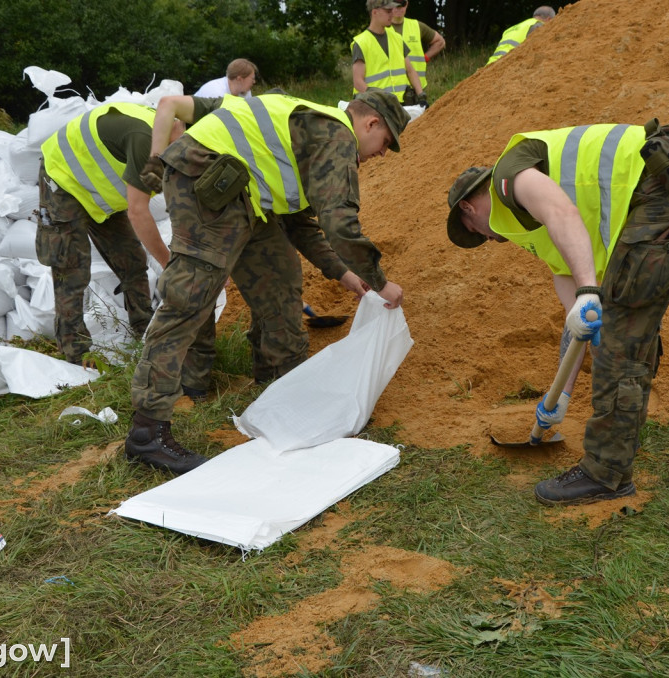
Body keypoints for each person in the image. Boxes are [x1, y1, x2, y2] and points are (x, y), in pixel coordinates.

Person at [446, 113, 669, 506]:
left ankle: (605, 474)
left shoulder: (510, 174)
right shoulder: (536, 230)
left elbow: (562, 215)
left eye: (475, 231)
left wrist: (589, 290)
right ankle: (623, 435)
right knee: (618, 326)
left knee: (619, 332)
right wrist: (559, 398)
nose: (486, 239)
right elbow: (579, 320)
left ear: (469, 208)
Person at [125, 89, 409, 474]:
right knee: (189, 297)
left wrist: (345, 274)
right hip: (206, 178)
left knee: (280, 278)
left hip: (243, 196)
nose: (379, 154)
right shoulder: (336, 135)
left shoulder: (314, 129)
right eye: (384, 143)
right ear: (371, 122)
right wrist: (379, 281)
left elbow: (299, 223)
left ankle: (283, 388)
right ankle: (148, 431)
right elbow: (339, 223)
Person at [36, 103, 186, 366]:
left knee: (132, 260)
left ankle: (144, 327)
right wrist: (169, 263)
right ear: (176, 127)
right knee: (72, 269)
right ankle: (75, 352)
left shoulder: (164, 132)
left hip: (99, 194)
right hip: (64, 181)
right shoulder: (146, 143)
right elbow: (139, 213)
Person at [352, 0, 426, 106]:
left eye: (392, 10)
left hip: (400, 105)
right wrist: (377, 102)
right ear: (375, 12)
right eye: (388, 11)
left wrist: (421, 95)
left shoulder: (397, 39)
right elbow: (358, 82)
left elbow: (410, 70)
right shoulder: (361, 42)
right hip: (373, 108)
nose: (392, 14)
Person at [389, 0, 445, 94]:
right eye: (395, 4)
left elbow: (440, 42)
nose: (398, 8)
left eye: (401, 4)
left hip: (416, 89)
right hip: (391, 89)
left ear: (406, 4)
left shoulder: (416, 26)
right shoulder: (381, 28)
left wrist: (426, 57)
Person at [487, 5, 556, 64]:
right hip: (507, 65)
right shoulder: (539, 26)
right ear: (549, 19)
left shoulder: (513, 28)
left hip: (491, 65)